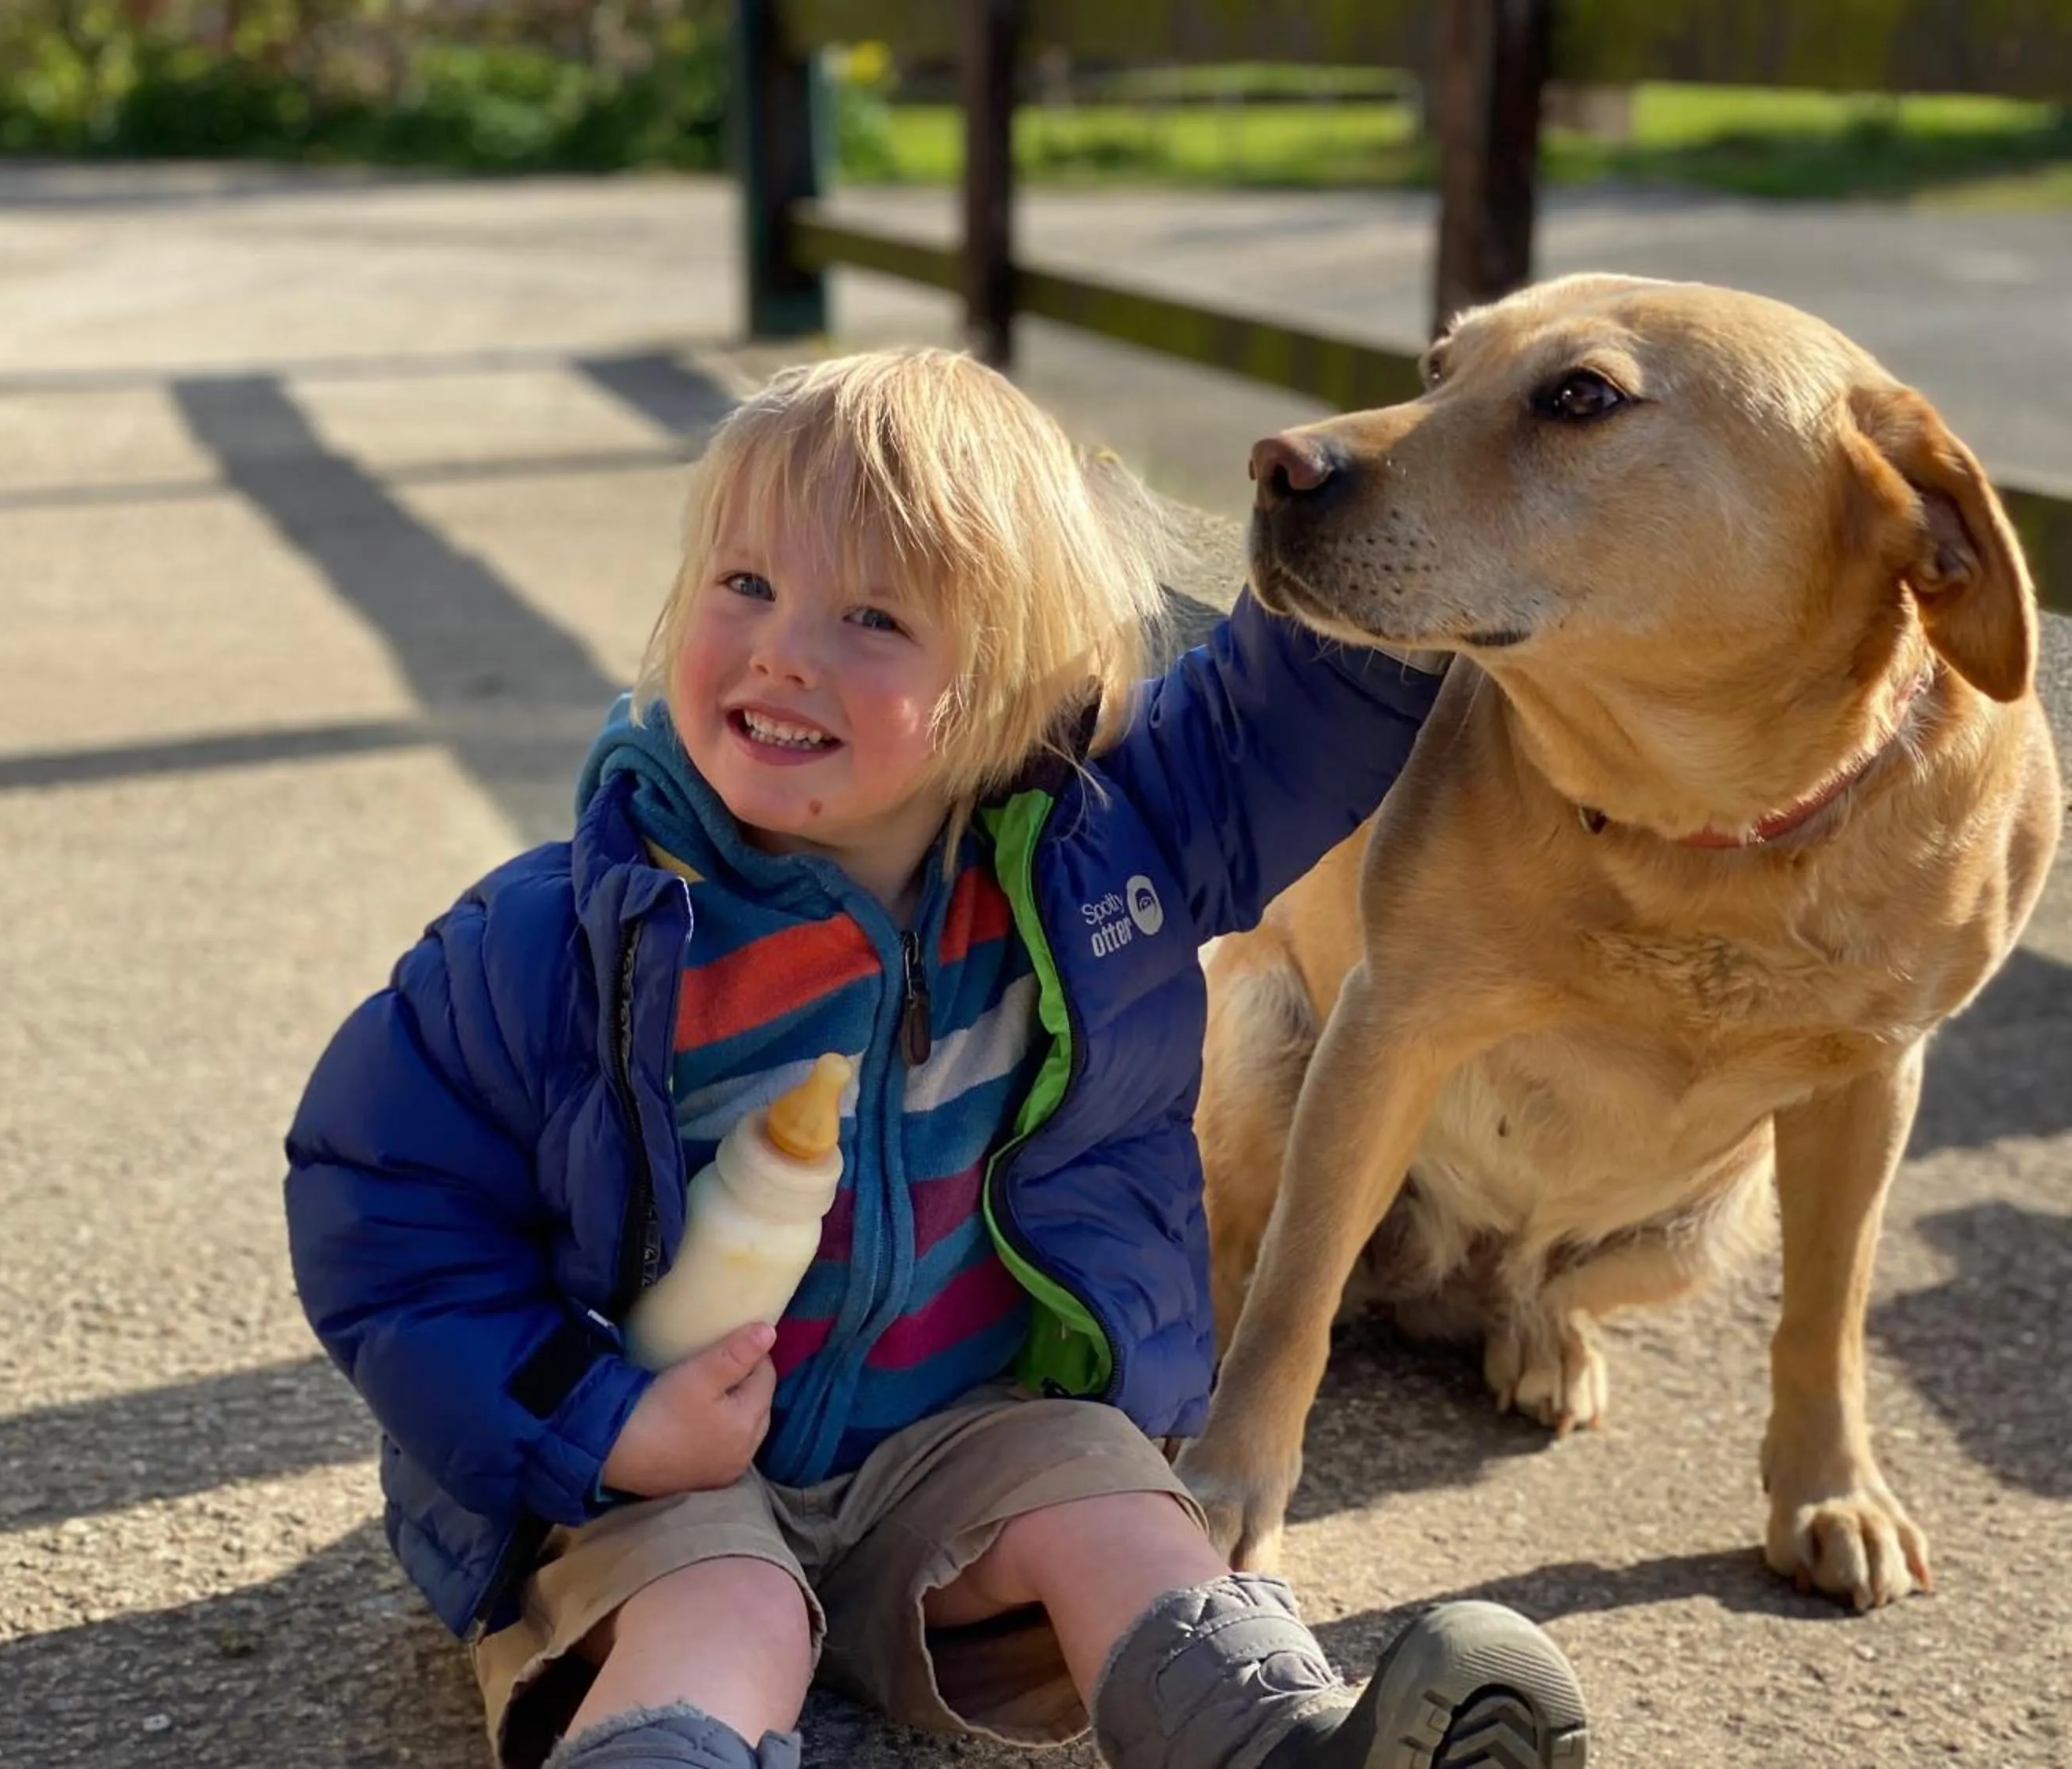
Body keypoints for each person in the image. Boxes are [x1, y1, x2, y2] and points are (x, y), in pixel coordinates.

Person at [284, 348, 1589, 1769]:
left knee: (1122, 1509)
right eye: (745, 584)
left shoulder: (1109, 854)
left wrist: (1410, 503)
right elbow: (384, 1204)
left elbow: (1289, 714)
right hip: (653, 1478)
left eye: (873, 617)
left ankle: (1281, 1742)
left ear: (1015, 688)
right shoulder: (568, 937)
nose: (785, 649)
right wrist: (596, 1422)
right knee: (727, 1608)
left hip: (965, 1447)